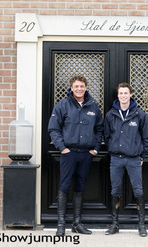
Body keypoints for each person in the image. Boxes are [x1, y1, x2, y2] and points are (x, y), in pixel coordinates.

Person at [48, 75, 103, 236]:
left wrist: (96, 149)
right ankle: (61, 224)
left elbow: (99, 129)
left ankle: (77, 223)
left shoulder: (93, 106)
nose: (79, 89)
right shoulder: (63, 105)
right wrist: (62, 148)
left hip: (86, 154)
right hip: (68, 153)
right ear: (71, 88)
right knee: (64, 187)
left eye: (82, 86)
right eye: (76, 86)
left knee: (80, 187)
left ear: (86, 88)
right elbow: (53, 129)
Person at [104, 82, 148, 237]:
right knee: (115, 190)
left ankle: (141, 225)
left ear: (131, 95)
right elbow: (106, 135)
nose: (123, 96)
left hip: (133, 160)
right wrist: (112, 148)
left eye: (126, 93)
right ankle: (114, 224)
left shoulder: (140, 114)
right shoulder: (110, 115)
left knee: (138, 190)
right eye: (121, 93)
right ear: (117, 95)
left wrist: (142, 155)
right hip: (116, 159)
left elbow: (147, 138)